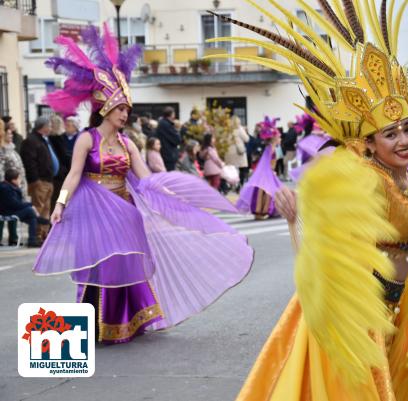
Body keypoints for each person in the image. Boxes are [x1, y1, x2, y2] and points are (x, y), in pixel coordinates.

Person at [212, 3, 408, 399]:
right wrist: (296, 218)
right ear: (368, 142)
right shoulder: (364, 178)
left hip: (396, 306)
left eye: (407, 128)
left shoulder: (402, 174)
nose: (404, 140)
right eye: (390, 134)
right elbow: (322, 250)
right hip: (357, 309)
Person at [35, 22, 253, 344]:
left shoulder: (128, 143)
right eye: (121, 108)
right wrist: (61, 203)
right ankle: (94, 326)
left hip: (125, 212)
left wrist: (170, 195)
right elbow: (73, 174)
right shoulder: (86, 138)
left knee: (125, 265)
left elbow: (145, 178)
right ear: (106, 108)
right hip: (95, 214)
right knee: (100, 268)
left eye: (127, 109)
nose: (126, 114)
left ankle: (128, 323)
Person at [236, 116, 283, 220]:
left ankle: (262, 211)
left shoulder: (271, 147)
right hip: (267, 173)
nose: (280, 139)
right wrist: (271, 172)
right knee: (267, 191)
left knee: (269, 190)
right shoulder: (271, 148)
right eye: (279, 137)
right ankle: (263, 211)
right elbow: (267, 162)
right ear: (274, 138)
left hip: (268, 172)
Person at [20, 117, 57, 243]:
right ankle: (35, 236)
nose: (51, 128)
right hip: (39, 181)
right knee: (38, 208)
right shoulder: (31, 140)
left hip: (48, 180)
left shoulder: (43, 140)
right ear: (43, 127)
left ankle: (44, 236)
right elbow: (29, 162)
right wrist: (35, 180)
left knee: (46, 210)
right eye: (49, 126)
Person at [0, 120, 28, 245]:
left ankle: (13, 237)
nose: (11, 136)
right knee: (3, 212)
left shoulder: (12, 149)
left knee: (14, 212)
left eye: (12, 134)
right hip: (7, 187)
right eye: (9, 134)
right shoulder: (3, 150)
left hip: (17, 186)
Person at [0, 169, 40, 247]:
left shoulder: (11, 187)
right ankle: (43, 223)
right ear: (13, 180)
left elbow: (16, 204)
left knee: (32, 218)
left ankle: (32, 241)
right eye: (19, 178)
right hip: (7, 212)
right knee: (30, 211)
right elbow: (14, 204)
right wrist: (31, 205)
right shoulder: (5, 189)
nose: (20, 180)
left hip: (11, 211)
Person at [224, 115, 250, 188]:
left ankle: (231, 184)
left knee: (231, 169)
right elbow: (247, 139)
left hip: (228, 151)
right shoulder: (239, 129)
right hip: (238, 152)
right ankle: (239, 185)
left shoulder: (227, 129)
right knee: (241, 168)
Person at [155, 107, 181, 171]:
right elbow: (177, 139)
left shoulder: (163, 123)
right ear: (171, 114)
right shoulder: (166, 124)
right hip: (168, 155)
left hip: (167, 153)